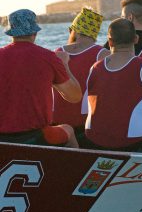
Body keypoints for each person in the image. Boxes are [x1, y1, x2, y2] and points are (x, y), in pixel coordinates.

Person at [85, 18, 142, 153]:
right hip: (132, 145)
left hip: (93, 143)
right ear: (136, 39)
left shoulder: (94, 68)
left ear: (110, 42)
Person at [0, 9, 82, 147]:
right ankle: (74, 168)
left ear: (10, 32)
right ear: (35, 32)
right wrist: (64, 65)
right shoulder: (48, 58)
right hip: (37, 135)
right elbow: (74, 96)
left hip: (2, 139)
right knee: (68, 130)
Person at [53, 8, 110, 148]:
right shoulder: (103, 55)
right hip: (85, 123)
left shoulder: (57, 52)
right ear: (95, 33)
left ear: (74, 30)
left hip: (56, 121)